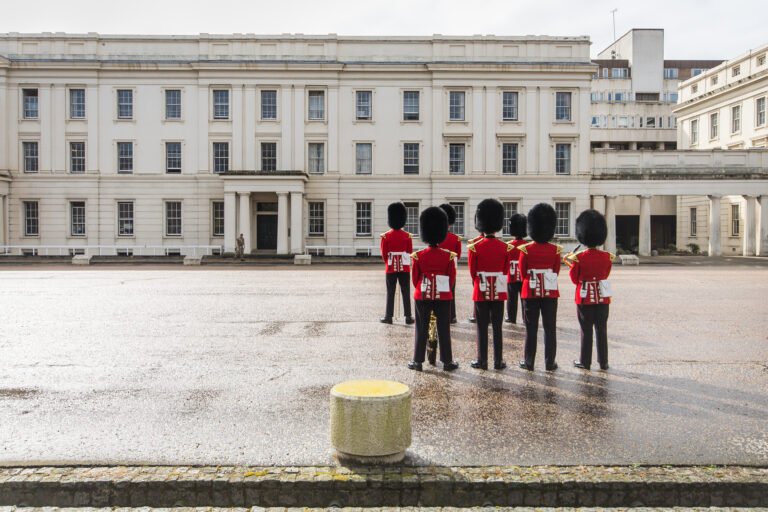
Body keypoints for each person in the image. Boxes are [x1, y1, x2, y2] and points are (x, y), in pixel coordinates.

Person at [408, 206, 459, 372]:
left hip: (422, 295)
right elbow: (451, 279)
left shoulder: (418, 256)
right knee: (444, 328)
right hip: (443, 296)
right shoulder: (448, 256)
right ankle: (447, 361)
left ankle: (417, 361)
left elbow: (415, 279)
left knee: (421, 328)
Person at [564, 209, 614, 371]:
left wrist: (571, 264)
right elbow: (604, 274)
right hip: (602, 297)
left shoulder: (579, 258)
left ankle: (585, 361)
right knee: (602, 329)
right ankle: (603, 362)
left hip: (585, 297)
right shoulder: (607, 257)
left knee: (586, 330)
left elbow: (575, 279)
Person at [468, 199, 511, 370]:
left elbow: (473, 272)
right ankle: (498, 361)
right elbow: (506, 270)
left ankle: (482, 360)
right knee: (497, 327)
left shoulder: (475, 247)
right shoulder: (504, 247)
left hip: (481, 289)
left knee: (482, 327)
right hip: (499, 290)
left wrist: (480, 283)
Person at [518, 203, 562, 372]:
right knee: (550, 328)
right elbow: (556, 271)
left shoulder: (526, 250)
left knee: (531, 327)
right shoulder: (555, 250)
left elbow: (523, 274)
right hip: (550, 291)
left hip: (530, 290)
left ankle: (529, 362)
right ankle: (550, 362)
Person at [380, 202, 414, 325]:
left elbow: (384, 254)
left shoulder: (386, 236)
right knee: (406, 292)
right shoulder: (407, 236)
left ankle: (388, 316)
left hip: (390, 267)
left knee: (390, 292)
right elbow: (410, 252)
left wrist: (389, 263)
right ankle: (408, 316)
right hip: (404, 267)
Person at [438, 203, 462, 324]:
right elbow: (458, 254)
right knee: (451, 291)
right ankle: (452, 316)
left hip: (439, 268)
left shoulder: (437, 237)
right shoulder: (456, 239)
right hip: (451, 268)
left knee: (439, 293)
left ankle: (441, 315)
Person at [505, 213, 527, 324]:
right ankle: (525, 317)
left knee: (511, 298)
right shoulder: (527, 245)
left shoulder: (509, 245)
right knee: (524, 297)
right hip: (524, 275)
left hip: (512, 274)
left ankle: (511, 317)